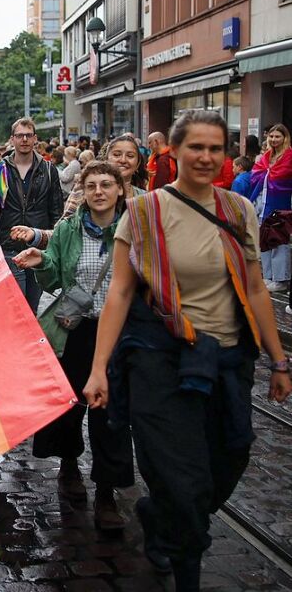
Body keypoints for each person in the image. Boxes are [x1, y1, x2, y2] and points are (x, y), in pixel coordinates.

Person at [83, 110, 290, 590]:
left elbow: (256, 288)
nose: (206, 156)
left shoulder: (239, 209)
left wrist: (278, 361)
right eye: (196, 146)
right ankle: (186, 568)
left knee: (233, 453)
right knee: (183, 480)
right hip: (161, 357)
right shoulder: (143, 211)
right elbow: (119, 292)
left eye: (215, 148)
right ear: (173, 152)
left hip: (227, 359)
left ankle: (161, 516)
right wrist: (99, 370)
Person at [13, 162, 134, 529]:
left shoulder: (134, 228)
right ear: (82, 190)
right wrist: (39, 262)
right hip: (74, 329)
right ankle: (69, 467)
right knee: (69, 409)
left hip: (116, 333)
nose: (99, 191)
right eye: (92, 185)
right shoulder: (67, 228)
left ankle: (106, 495)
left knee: (110, 416)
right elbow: (54, 275)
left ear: (119, 190)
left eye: (106, 184)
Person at [0, 118, 64, 312]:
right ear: (12, 139)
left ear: (35, 139)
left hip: (38, 247)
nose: (24, 139)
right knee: (15, 306)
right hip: (10, 245)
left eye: (28, 135)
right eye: (19, 135)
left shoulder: (49, 171)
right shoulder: (0, 169)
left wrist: (55, 244)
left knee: (32, 306)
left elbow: (56, 210)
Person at [249, 124, 292, 293]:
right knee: (265, 241)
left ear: (285, 138)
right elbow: (257, 176)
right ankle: (268, 276)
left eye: (278, 137)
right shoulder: (266, 157)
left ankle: (281, 279)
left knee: (279, 243)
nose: (274, 139)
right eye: (272, 136)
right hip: (263, 205)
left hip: (282, 206)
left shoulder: (289, 157)